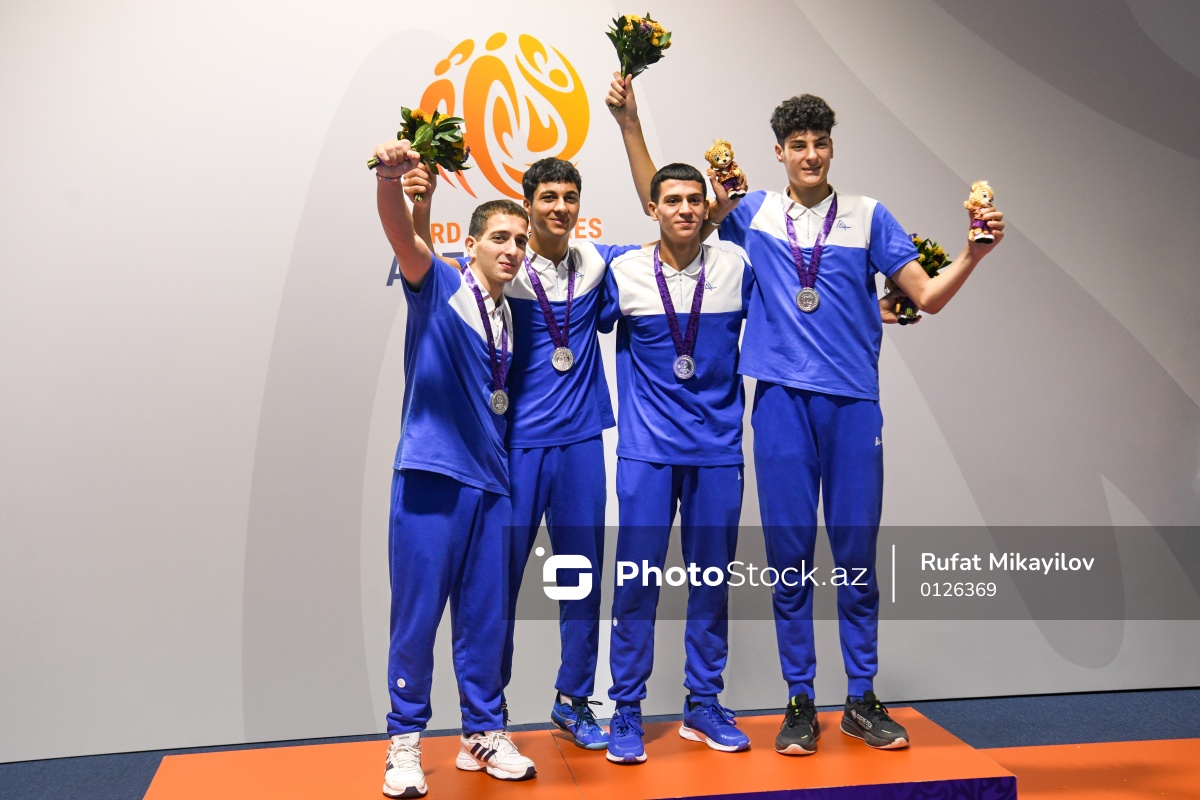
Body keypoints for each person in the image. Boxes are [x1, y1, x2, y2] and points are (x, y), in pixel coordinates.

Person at [607, 80, 1004, 756]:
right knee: (789, 561)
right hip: (781, 407)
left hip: (851, 406)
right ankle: (800, 699)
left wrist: (974, 253)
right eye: (798, 144)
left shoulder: (869, 216)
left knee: (855, 560)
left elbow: (928, 296)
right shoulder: (754, 213)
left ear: (831, 149)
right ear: (780, 152)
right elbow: (667, 197)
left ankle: (861, 698)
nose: (811, 154)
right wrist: (630, 125)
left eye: (820, 143)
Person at [404, 159, 640, 750]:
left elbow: (669, 244)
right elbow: (423, 261)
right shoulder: (499, 266)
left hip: (581, 441)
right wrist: (418, 203)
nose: (560, 207)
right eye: (548, 197)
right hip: (513, 447)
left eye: (570, 197)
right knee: (496, 585)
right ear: (528, 203)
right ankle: (490, 712)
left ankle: (574, 698)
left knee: (579, 577)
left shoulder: (597, 262)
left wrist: (712, 212)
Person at [372, 137, 537, 798]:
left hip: (491, 485)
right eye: (500, 237)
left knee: (484, 621)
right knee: (417, 616)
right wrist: (390, 182)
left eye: (520, 240)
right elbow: (402, 238)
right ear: (470, 245)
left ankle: (483, 733)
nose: (512, 249)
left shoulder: (509, 314)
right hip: (432, 478)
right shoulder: (440, 284)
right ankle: (405, 742)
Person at [599, 162, 753, 764]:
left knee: (711, 582)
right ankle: (626, 708)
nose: (684, 209)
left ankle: (703, 703)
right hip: (647, 453)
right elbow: (559, 287)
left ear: (706, 207)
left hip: (716, 451)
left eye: (694, 199)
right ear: (653, 208)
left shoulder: (737, 264)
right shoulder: (624, 270)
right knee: (636, 583)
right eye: (672, 200)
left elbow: (795, 316)